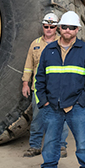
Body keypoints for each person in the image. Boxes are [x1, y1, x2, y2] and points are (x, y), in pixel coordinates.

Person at [32, 10, 85, 168]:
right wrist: (44, 101)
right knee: (50, 145)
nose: (68, 30)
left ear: (77, 30)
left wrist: (82, 102)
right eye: (65, 27)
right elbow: (39, 79)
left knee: (83, 143)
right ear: (59, 28)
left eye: (72, 27)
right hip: (53, 107)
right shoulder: (49, 50)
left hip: (76, 107)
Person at [22, 12, 61, 157]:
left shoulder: (62, 44)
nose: (49, 29)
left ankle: (60, 147)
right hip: (38, 89)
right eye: (46, 26)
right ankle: (35, 146)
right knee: (37, 119)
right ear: (42, 27)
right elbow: (28, 66)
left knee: (59, 118)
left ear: (56, 27)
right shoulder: (35, 44)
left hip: (56, 88)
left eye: (52, 26)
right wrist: (25, 83)